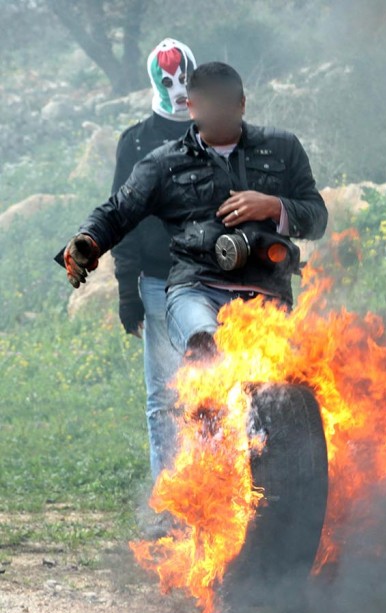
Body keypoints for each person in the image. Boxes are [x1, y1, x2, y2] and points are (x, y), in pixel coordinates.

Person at [60, 59, 328, 428]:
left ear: (242, 104)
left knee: (273, 390)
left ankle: (268, 464)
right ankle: (207, 453)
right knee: (206, 344)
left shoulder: (282, 148)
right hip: (196, 288)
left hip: (266, 290)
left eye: (226, 106)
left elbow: (317, 217)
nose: (218, 115)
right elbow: (118, 211)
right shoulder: (164, 163)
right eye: (208, 106)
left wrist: (273, 205)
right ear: (190, 106)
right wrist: (87, 242)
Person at [111, 38, 197, 486]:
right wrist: (128, 291)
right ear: (156, 83)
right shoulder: (137, 141)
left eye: (185, 76)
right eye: (170, 80)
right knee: (165, 397)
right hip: (158, 285)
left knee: (214, 390)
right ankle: (172, 499)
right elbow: (120, 217)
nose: (180, 88)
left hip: (212, 281)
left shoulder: (216, 131)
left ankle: (215, 492)